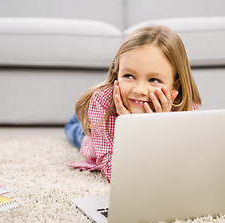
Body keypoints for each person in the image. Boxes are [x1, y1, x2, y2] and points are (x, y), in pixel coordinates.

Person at [65, 25, 201, 182]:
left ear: (175, 85)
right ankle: (80, 117)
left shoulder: (185, 107)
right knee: (75, 129)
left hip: (117, 110)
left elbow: (178, 163)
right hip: (94, 133)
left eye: (154, 80)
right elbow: (116, 173)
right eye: (129, 75)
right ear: (117, 73)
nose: (140, 89)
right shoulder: (101, 102)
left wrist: (158, 126)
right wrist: (130, 127)